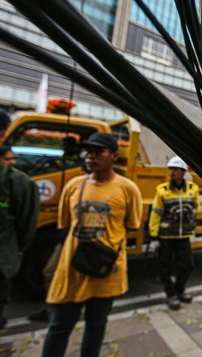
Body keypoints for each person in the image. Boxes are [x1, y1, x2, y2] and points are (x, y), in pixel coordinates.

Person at [41, 132, 142, 357]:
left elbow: (131, 225)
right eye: (88, 152)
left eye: (98, 152)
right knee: (58, 328)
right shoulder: (73, 186)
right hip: (71, 271)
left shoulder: (128, 189)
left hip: (106, 271)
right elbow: (65, 225)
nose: (90, 157)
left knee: (96, 327)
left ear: (114, 156)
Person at [149, 156, 200, 310]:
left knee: (188, 265)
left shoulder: (193, 189)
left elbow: (195, 208)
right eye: (170, 169)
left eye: (176, 169)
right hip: (166, 236)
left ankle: (179, 290)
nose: (172, 172)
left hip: (183, 236)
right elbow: (156, 213)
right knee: (165, 268)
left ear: (183, 172)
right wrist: (153, 237)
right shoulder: (162, 190)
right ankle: (171, 294)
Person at [0, 155, 39, 330]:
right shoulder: (18, 182)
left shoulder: (17, 182)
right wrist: (19, 248)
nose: (13, 162)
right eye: (8, 158)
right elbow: (27, 223)